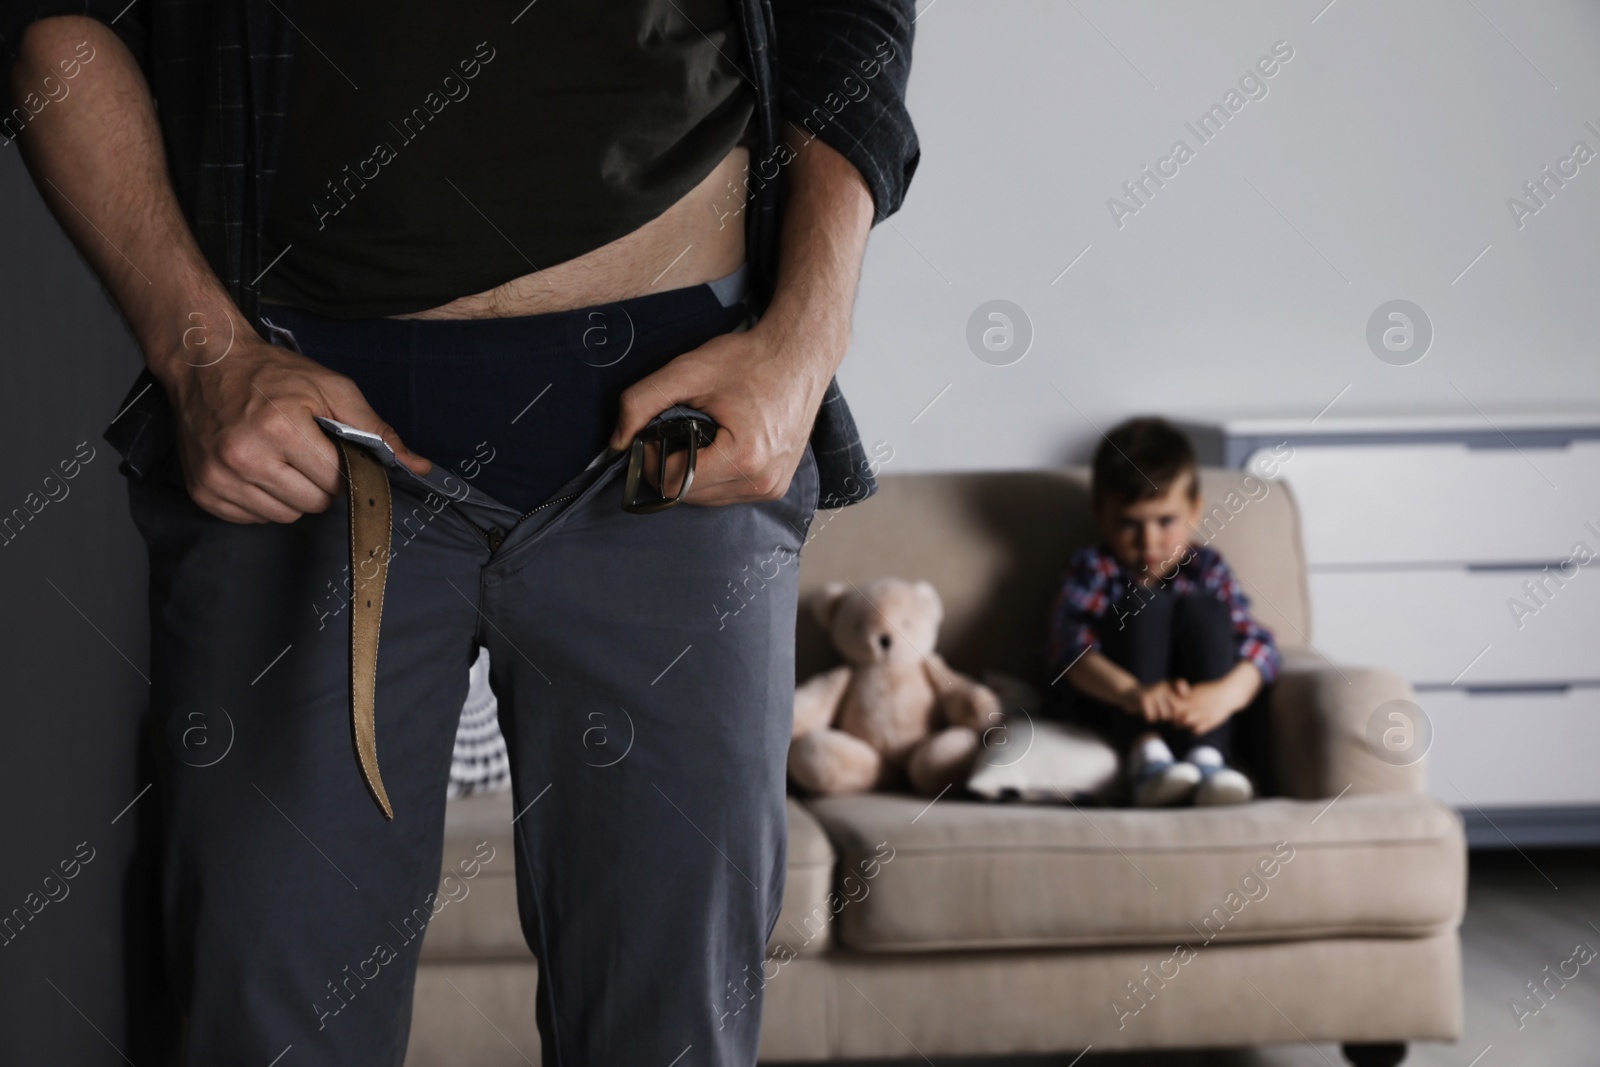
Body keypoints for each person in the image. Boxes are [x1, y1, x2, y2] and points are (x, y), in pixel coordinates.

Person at [2, 2, 918, 1063]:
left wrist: (805, 342)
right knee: (268, 1027)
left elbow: (851, 21)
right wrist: (199, 353)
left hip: (675, 437)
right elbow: (51, 28)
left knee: (673, 1035)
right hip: (304, 440)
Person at [1044, 417, 1281, 807]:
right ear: (1100, 515)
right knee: (1145, 603)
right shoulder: (1093, 567)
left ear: (1194, 511)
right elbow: (1068, 650)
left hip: (1197, 711)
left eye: (1166, 521)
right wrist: (1131, 693)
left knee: (1206, 610)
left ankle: (1208, 762)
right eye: (1128, 524)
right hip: (1121, 704)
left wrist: (1223, 695)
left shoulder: (1207, 568)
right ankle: (1148, 763)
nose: (1149, 541)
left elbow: (1258, 644)